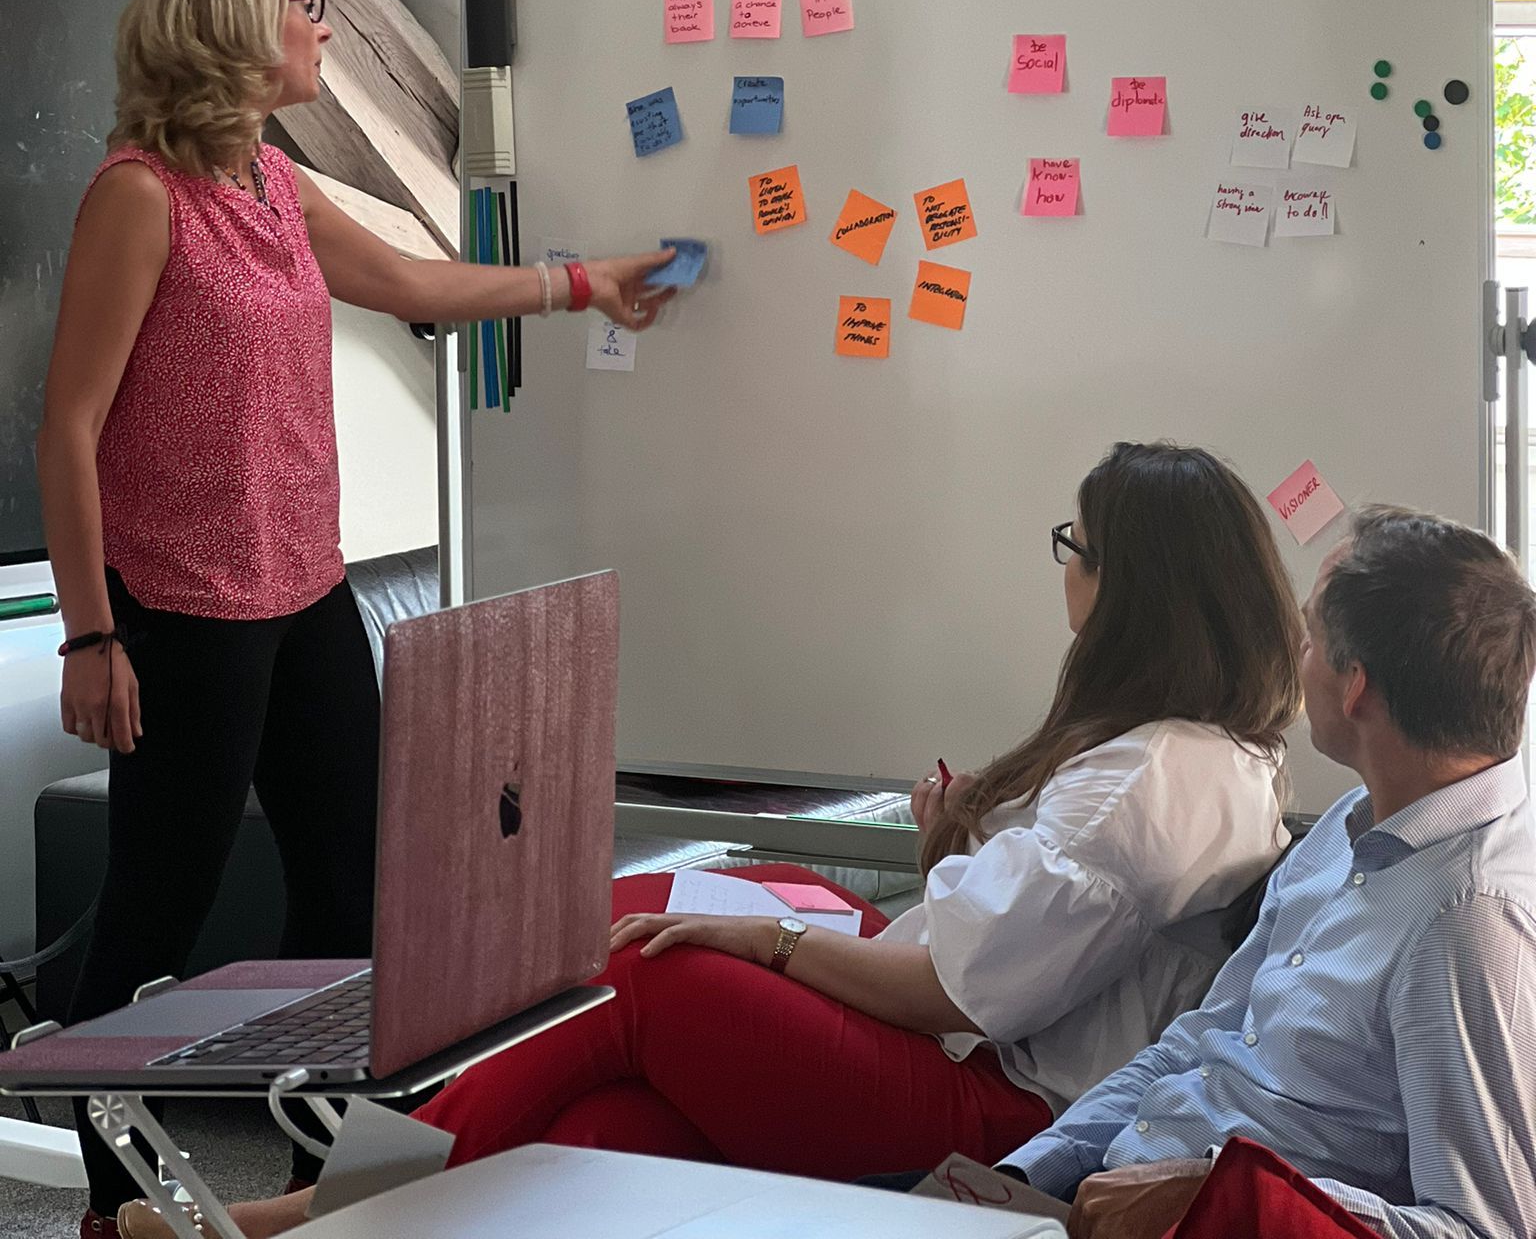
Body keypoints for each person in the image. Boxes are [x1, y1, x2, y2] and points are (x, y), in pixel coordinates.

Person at [151, 440, 1304, 1236]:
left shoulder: (1144, 780)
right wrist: (942, 856)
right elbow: (1016, 948)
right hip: (985, 1035)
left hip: (996, 1099)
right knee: (618, 1096)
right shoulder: (1206, 750)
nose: (1066, 567)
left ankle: (325, 1211)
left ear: (1130, 587)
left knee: (649, 968)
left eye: (1075, 545)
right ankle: (371, 1206)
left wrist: (776, 947)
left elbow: (956, 992)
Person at [41, 0, 676, 1239]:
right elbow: (70, 426)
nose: (324, 23)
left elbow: (406, 279)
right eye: (306, 1)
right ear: (232, 26)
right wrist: (91, 636)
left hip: (305, 592)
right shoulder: (141, 196)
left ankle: (347, 1190)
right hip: (187, 617)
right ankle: (109, 1210)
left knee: (363, 900)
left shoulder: (275, 179)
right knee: (154, 922)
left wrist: (578, 284)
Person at [929, 505, 1536, 1239]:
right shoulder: (1350, 825)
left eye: (1310, 636)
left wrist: (1219, 1193)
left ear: (1355, 686)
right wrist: (1026, 1176)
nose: (1296, 652)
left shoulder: (1470, 919)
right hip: (1107, 1190)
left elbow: (1485, 1228)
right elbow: (1197, 1043)